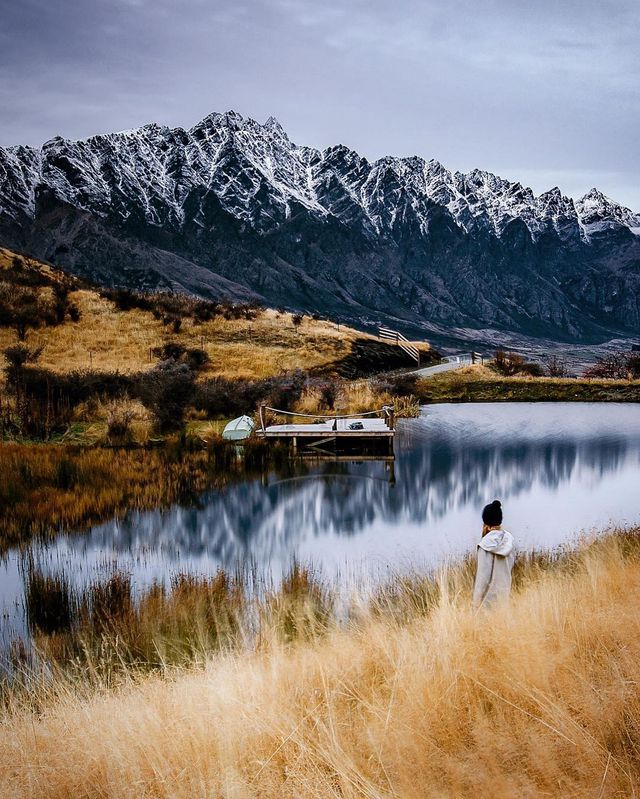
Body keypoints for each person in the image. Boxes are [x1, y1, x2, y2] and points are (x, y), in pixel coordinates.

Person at [472, 499, 515, 608]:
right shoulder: (509, 540)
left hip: (487, 603)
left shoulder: (485, 545)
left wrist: (475, 603)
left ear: (485, 521)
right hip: (504, 598)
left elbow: (483, 577)